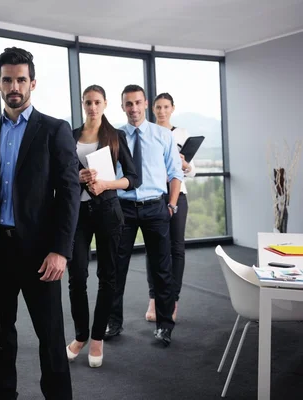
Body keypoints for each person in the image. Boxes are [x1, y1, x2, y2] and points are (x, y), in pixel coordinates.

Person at [0, 47, 80, 400]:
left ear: (32, 83)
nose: (13, 86)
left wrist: (61, 250)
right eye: (7, 80)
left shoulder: (54, 130)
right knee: (0, 340)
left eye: (20, 79)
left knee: (50, 340)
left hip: (41, 255)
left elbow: (70, 192)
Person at [104, 84, 184, 347]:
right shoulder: (115, 136)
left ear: (146, 104)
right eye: (128, 104)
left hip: (155, 207)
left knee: (162, 269)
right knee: (116, 268)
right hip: (123, 208)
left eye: (138, 103)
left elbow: (175, 173)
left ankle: (164, 325)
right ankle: (113, 322)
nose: (134, 108)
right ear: (123, 106)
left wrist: (171, 205)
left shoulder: (163, 135)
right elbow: (108, 173)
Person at [65, 85, 138, 368]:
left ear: (105, 104)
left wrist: (107, 183)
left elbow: (133, 178)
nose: (92, 107)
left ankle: (97, 338)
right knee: (77, 277)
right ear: (82, 104)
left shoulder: (116, 136)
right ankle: (81, 334)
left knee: (108, 277)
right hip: (79, 214)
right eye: (87, 102)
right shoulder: (70, 136)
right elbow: (60, 175)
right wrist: (77, 175)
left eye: (97, 102)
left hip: (108, 211)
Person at [144, 92, 196, 323]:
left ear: (172, 108)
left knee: (176, 248)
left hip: (178, 195)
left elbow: (191, 170)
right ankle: (154, 298)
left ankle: (172, 300)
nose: (162, 111)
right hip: (154, 196)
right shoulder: (148, 132)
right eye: (158, 107)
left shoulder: (182, 133)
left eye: (166, 107)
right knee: (153, 248)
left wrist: (184, 163)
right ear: (152, 109)